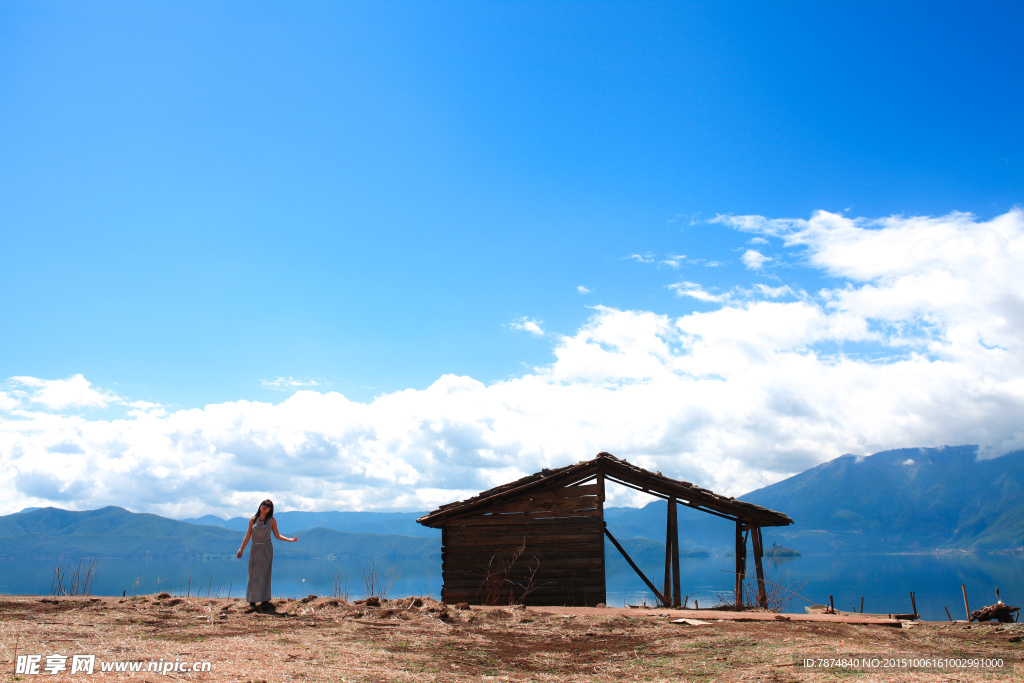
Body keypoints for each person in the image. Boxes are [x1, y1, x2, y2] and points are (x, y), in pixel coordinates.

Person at [236, 499, 297, 610]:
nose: (265, 506)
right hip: (255, 547)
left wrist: (289, 539)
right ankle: (252, 601)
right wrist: (241, 550)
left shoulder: (272, 520)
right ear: (260, 506)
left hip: (266, 548)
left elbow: (277, 535)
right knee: (253, 574)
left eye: (268, 505)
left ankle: (265, 600)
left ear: (270, 509)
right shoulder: (253, 520)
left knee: (265, 573)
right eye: (264, 504)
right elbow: (248, 536)